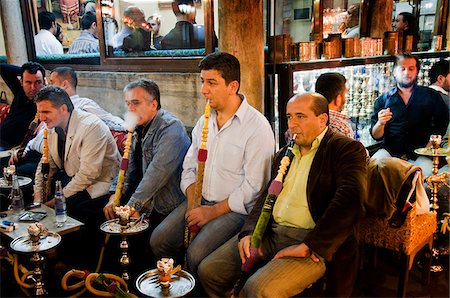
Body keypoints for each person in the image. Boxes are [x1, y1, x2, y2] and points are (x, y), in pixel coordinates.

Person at [198, 92, 367, 297]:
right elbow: (265, 197)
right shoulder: (285, 153)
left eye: (300, 116)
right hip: (271, 233)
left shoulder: (345, 149)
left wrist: (310, 245)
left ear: (322, 119)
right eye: (289, 117)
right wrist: (249, 231)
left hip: (312, 242)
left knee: (258, 289)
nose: (292, 124)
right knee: (209, 271)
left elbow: (351, 199)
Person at [150, 52, 275, 275]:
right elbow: (189, 166)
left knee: (196, 254)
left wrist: (211, 212)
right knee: (159, 240)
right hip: (198, 200)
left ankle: (193, 284)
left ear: (232, 86)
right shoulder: (204, 120)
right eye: (202, 81)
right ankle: (175, 282)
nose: (203, 90)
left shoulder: (257, 127)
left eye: (211, 83)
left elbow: (254, 188)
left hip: (233, 210)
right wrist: (192, 204)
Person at [102, 78, 190, 237]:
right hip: (138, 196)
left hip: (161, 203)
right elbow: (126, 167)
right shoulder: (137, 127)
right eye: (128, 103)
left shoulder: (171, 128)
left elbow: (156, 173)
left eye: (136, 103)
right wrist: (114, 195)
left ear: (154, 105)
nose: (131, 109)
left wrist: (130, 207)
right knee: (99, 216)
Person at [33, 86, 119, 224]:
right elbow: (45, 165)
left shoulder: (91, 126)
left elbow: (89, 174)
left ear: (63, 109)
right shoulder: (51, 127)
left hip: (100, 183)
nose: (42, 118)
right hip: (74, 177)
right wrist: (38, 198)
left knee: (71, 209)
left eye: (46, 112)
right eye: (39, 112)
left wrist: (56, 201)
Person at [370, 54, 449, 177]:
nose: (407, 72)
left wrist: (430, 145)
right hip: (391, 152)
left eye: (411, 68)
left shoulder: (431, 96)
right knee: (372, 168)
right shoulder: (383, 100)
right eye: (402, 69)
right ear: (394, 72)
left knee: (418, 178)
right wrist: (380, 123)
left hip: (422, 153)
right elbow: (376, 136)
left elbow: (442, 124)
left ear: (417, 71)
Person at [0, 62, 46, 151]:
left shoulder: (45, 102)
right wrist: (25, 71)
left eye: (37, 82)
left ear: (44, 82)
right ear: (21, 82)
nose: (33, 87)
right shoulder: (20, 92)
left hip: (9, 147)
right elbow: (3, 68)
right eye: (28, 82)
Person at [315, 72, 354, 138]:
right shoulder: (342, 127)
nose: (346, 98)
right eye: (345, 94)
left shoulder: (309, 119)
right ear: (338, 99)